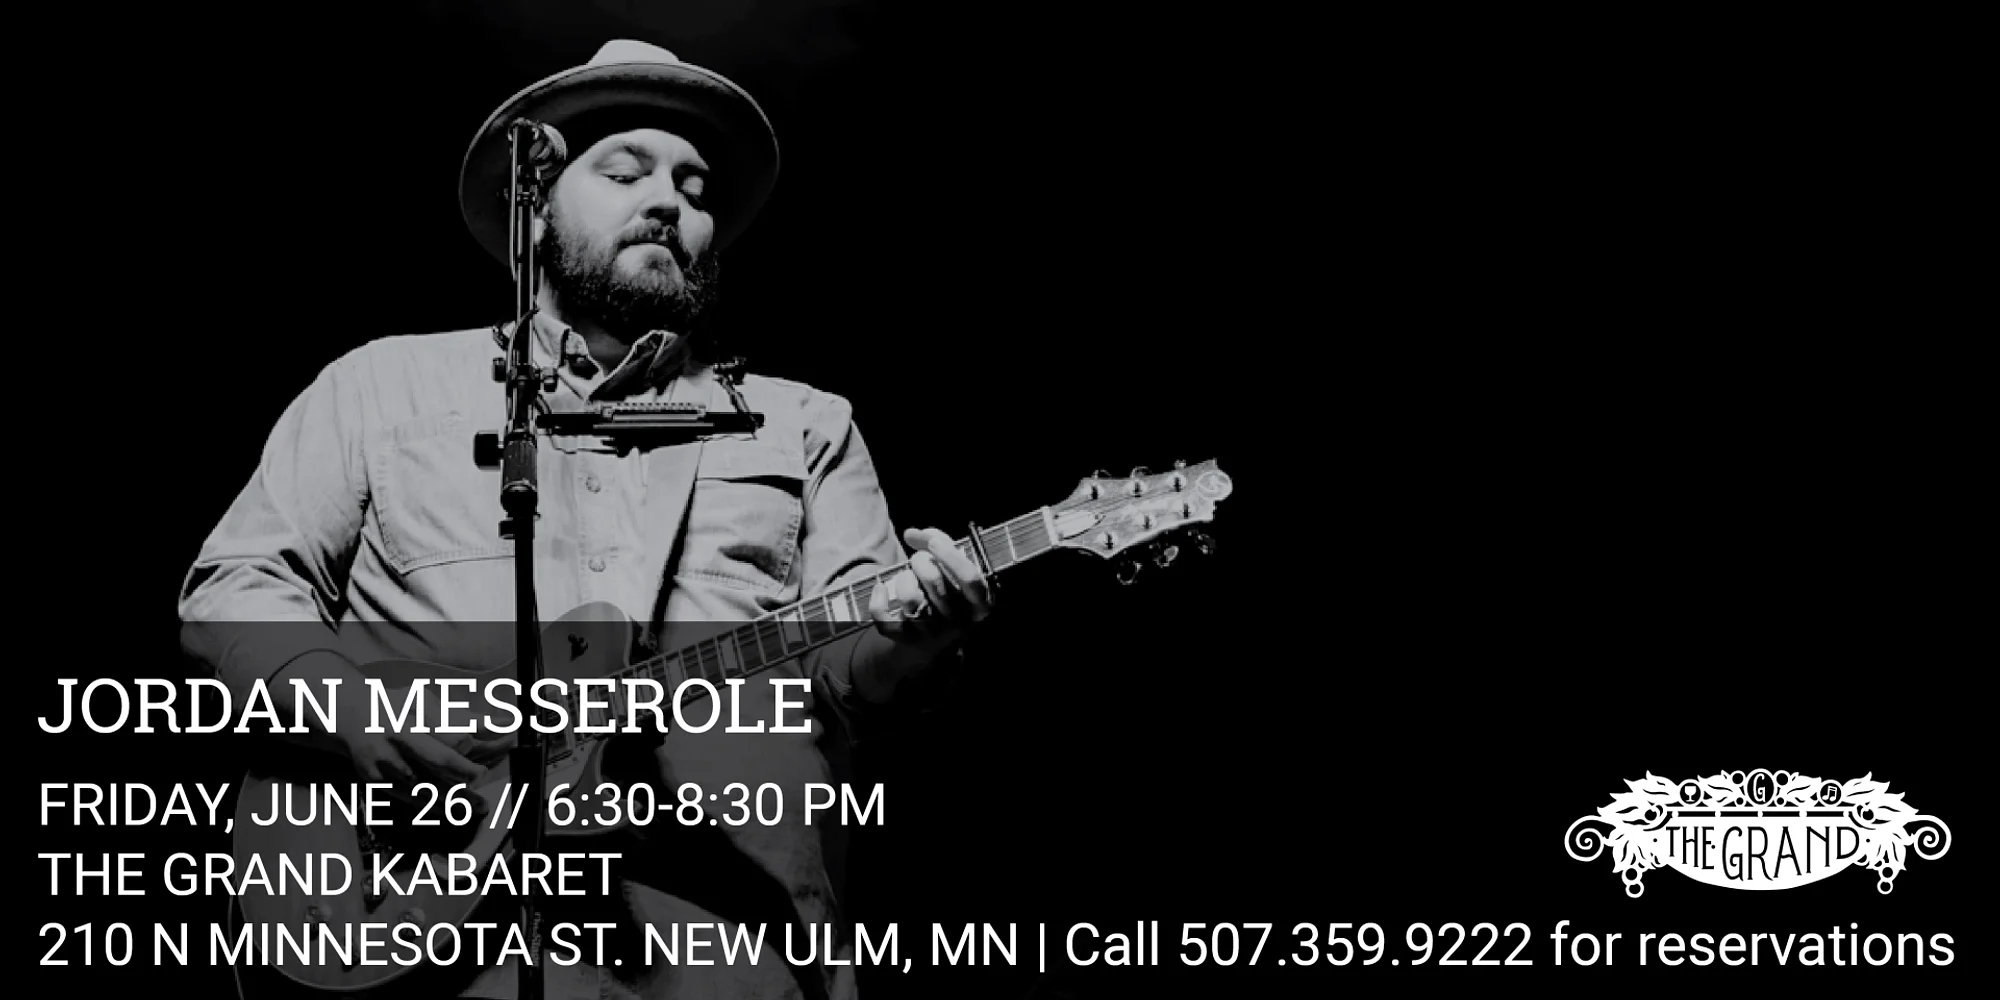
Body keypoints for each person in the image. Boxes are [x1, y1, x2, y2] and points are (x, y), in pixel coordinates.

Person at [177, 38, 992, 1000]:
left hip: (725, 949)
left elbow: (852, 677)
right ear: (534, 211)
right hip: (431, 937)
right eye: (626, 172)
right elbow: (235, 588)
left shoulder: (807, 425)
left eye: (695, 188)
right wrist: (349, 708)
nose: (671, 203)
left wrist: (913, 639)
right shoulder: (381, 388)